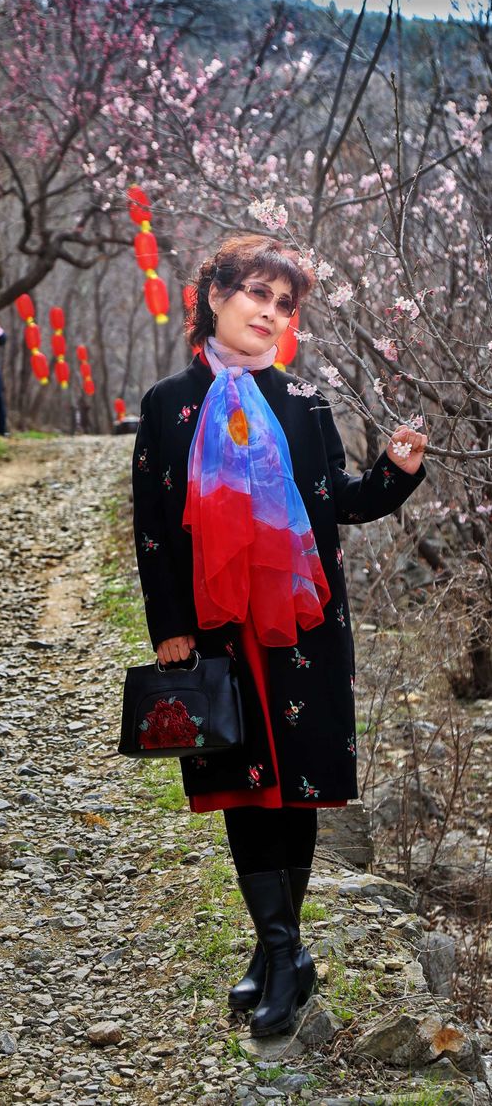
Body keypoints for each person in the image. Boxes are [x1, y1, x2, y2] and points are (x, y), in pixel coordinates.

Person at [131, 234, 427, 1038]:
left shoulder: (305, 406)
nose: (269, 312)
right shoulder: (169, 403)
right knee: (240, 784)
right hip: (217, 629)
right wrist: (169, 628)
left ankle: (281, 954)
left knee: (293, 784)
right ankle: (282, 952)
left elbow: (340, 504)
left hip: (298, 625)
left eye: (284, 303)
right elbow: (154, 526)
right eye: (256, 293)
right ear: (216, 295)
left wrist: (396, 473)